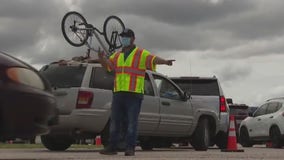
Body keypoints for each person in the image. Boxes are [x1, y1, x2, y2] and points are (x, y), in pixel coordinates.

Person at [98, 28, 175, 156]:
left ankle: (130, 148)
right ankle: (112, 147)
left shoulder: (140, 54)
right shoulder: (117, 55)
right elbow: (108, 67)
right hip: (118, 92)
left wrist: (166, 62)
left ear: (133, 38)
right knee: (115, 121)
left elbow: (153, 59)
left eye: (126, 37)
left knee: (131, 122)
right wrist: (101, 58)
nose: (124, 39)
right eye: (122, 37)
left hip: (134, 94)